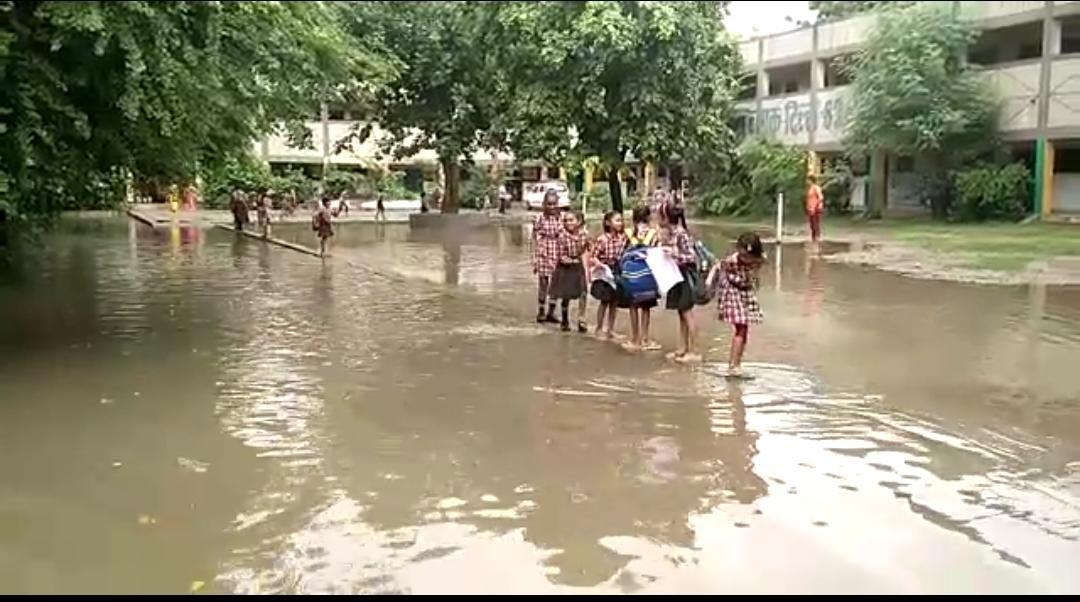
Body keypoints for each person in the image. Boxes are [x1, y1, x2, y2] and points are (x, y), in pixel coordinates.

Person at [707, 232, 765, 378]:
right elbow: (716, 267)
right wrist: (709, 282)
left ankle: (736, 364)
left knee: (744, 329)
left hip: (745, 292)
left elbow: (758, 270)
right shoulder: (731, 260)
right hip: (732, 291)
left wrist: (756, 278)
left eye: (747, 257)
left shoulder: (759, 259)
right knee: (741, 326)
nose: (744, 259)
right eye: (742, 255)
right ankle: (733, 366)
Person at [658, 202, 700, 363]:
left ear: (667, 218)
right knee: (681, 312)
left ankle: (694, 351)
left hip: (685, 276)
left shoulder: (681, 234)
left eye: (660, 216)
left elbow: (691, 257)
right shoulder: (670, 233)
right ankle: (682, 347)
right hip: (675, 275)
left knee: (687, 313)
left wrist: (674, 254)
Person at [622, 204, 661, 352]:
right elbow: (657, 253)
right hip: (647, 276)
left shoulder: (628, 233)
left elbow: (622, 253)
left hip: (630, 276)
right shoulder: (653, 233)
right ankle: (645, 339)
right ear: (649, 217)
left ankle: (634, 339)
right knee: (646, 307)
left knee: (633, 306)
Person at [589, 210, 626, 340]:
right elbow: (592, 256)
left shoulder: (622, 238)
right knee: (604, 302)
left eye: (621, 220)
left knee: (614, 302)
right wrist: (599, 265)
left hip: (617, 271)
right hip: (605, 271)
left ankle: (610, 329)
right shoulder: (602, 239)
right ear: (607, 223)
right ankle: (599, 328)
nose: (620, 223)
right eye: (617, 220)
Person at [550, 211, 590, 332]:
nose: (568, 223)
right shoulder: (562, 236)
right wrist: (570, 261)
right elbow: (560, 255)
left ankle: (581, 319)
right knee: (566, 295)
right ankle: (565, 319)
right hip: (565, 267)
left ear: (579, 222)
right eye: (566, 221)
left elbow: (588, 249)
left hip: (578, 266)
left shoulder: (584, 234)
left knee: (583, 292)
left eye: (571, 220)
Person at [531, 190, 563, 324]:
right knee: (543, 283)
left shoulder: (561, 218)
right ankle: (541, 311)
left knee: (556, 284)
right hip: (543, 252)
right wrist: (533, 257)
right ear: (544, 204)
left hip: (558, 251)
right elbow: (533, 238)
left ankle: (551, 311)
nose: (551, 207)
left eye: (554, 204)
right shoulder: (540, 218)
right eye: (549, 204)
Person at [806, 174, 824, 243]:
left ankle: (817, 237)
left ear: (811, 180)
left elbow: (820, 197)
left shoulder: (816, 188)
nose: (807, 181)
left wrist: (816, 205)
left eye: (808, 180)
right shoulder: (810, 188)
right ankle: (813, 237)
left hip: (816, 208)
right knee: (812, 223)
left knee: (815, 223)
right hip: (811, 208)